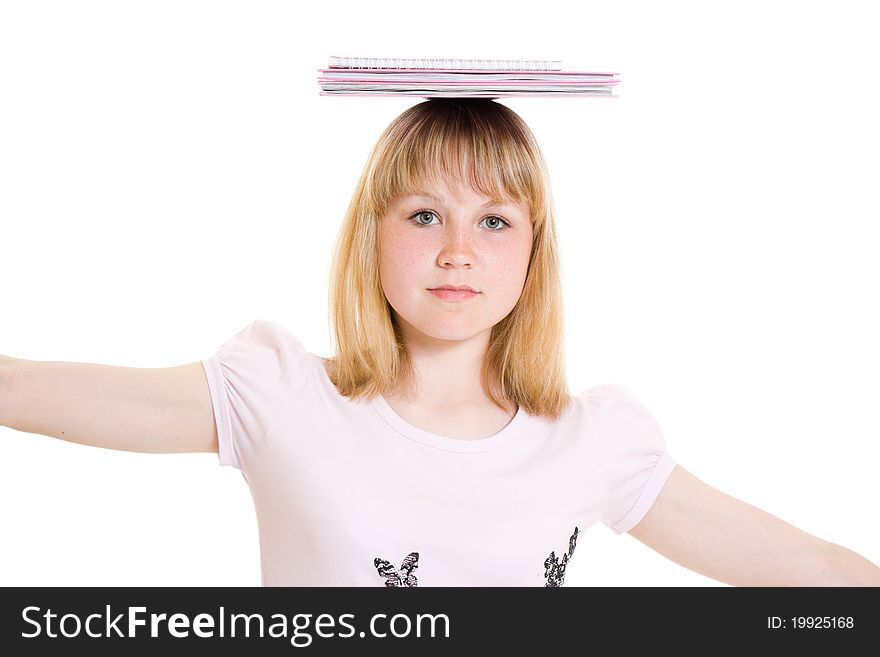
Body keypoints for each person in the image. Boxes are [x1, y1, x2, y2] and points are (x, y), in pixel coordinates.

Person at [1, 99, 878, 587]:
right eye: (425, 214)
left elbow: (815, 573)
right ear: (372, 235)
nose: (459, 248)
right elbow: (35, 391)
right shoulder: (277, 393)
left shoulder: (598, 441)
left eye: (494, 220)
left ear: (533, 253)